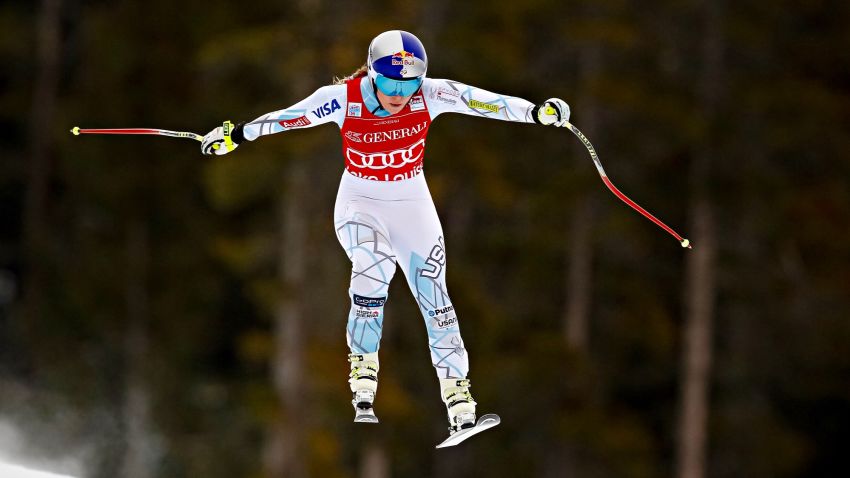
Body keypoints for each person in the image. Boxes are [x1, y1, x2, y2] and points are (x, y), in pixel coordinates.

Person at [201, 30, 570, 435]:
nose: (399, 94)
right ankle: (363, 369)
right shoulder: (343, 98)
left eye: (408, 84)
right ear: (373, 74)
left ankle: (458, 396)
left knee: (435, 294)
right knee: (372, 266)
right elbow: (290, 117)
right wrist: (236, 135)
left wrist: (537, 112)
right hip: (361, 201)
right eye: (391, 83)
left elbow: (483, 102)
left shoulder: (429, 94)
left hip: (412, 203)